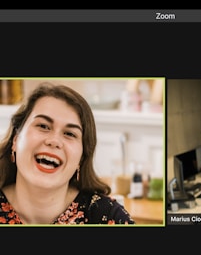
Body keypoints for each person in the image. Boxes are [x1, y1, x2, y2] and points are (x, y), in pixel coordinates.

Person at [0, 82, 135, 225]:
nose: (54, 141)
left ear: (81, 159)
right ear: (15, 140)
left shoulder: (108, 216)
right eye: (43, 126)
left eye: (70, 134)